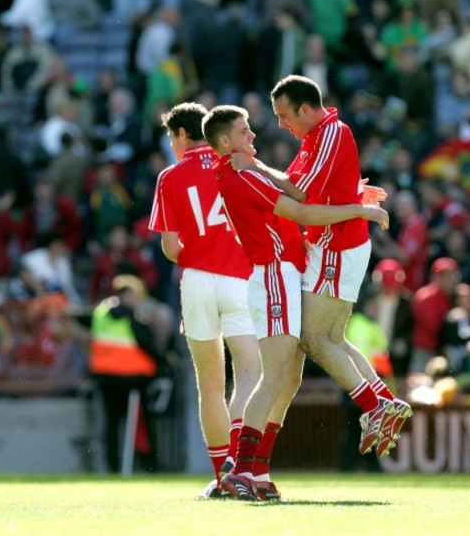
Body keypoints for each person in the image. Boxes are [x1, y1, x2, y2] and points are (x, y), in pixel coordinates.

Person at [202, 104, 391, 500]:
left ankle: (256, 472)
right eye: (243, 132)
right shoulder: (241, 175)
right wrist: (359, 210)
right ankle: (241, 469)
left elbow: (294, 191)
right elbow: (302, 208)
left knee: (287, 381)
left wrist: (353, 194)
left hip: (283, 274)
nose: (252, 136)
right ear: (224, 143)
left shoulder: (245, 172)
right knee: (274, 378)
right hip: (274, 276)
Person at [236, 74, 413, 460]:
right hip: (336, 245)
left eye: (285, 116)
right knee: (331, 336)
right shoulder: (318, 136)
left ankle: (375, 406)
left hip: (335, 246)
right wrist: (353, 195)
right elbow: (306, 184)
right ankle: (383, 400)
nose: (283, 125)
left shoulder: (331, 133)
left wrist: (254, 167)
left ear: (305, 108)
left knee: (314, 338)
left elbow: (299, 193)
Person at [147, 102, 261, 497]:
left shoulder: (170, 176)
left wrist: (200, 251)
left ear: (181, 134)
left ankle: (219, 477)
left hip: (196, 282)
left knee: (209, 384)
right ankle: (239, 467)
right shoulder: (236, 162)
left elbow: (171, 247)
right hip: (240, 279)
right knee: (249, 373)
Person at [88, 274, 163, 473]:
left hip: (104, 376)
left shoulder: (100, 312)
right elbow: (147, 344)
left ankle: (112, 466)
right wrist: (162, 360)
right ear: (128, 294)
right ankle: (148, 465)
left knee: (111, 424)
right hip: (133, 378)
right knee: (140, 423)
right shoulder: (132, 316)